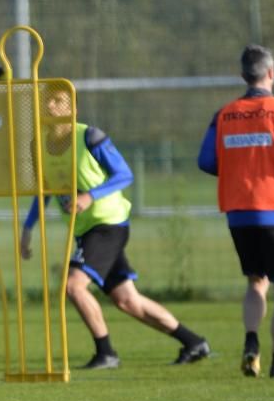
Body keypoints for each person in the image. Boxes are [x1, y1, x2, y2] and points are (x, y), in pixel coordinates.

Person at [20, 86, 210, 370]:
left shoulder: (89, 136)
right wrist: (28, 228)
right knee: (127, 300)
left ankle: (106, 353)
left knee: (73, 286)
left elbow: (124, 174)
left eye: (59, 101)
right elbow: (44, 191)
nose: (51, 106)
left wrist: (89, 195)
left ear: (73, 109)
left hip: (108, 224)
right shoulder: (39, 145)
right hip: (86, 230)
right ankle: (194, 342)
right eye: (47, 100)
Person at [198, 44, 274, 378]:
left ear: (243, 75)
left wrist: (240, 171)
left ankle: (251, 345)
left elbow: (206, 160)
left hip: (238, 211)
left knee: (255, 282)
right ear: (271, 72)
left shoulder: (223, 114)